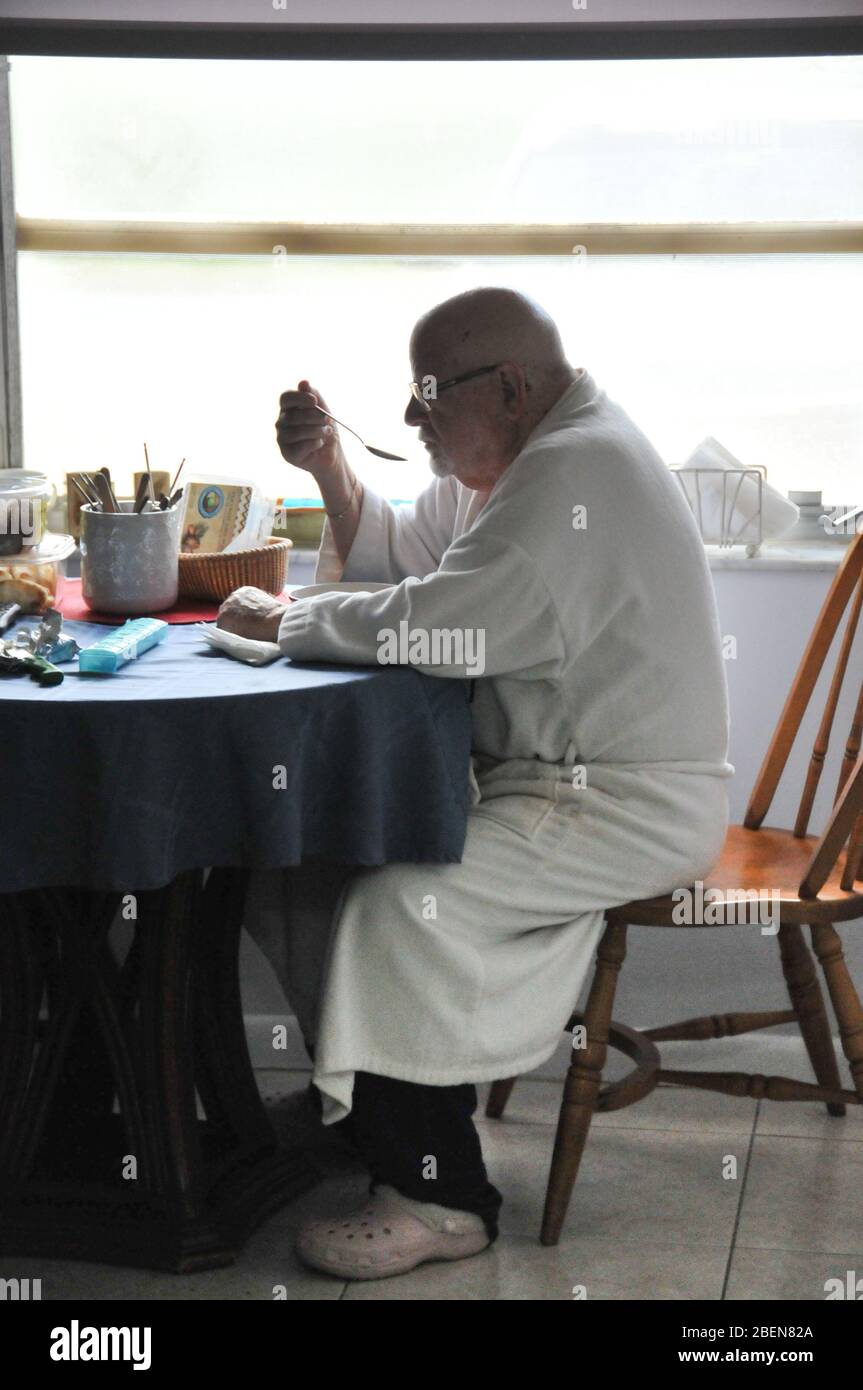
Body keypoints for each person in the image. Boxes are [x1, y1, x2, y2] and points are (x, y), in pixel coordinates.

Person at [218, 287, 733, 1281]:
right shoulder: (519, 454)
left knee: (400, 906)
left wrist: (280, 622)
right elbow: (406, 553)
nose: (408, 419)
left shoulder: (578, 471)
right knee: (305, 864)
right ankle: (368, 1109)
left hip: (619, 800)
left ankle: (443, 1195)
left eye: (424, 396)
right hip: (549, 780)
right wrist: (328, 466)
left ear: (507, 387)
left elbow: (439, 620)